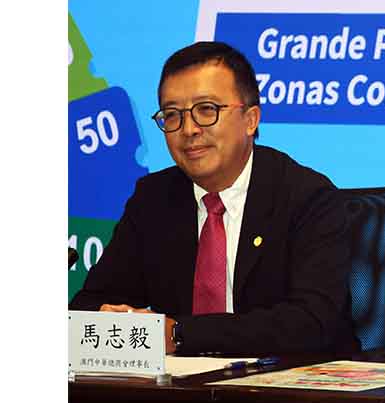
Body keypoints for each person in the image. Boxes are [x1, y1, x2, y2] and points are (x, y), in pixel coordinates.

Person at [70, 41, 359, 357]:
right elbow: (89, 304)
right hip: (182, 384)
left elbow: (311, 322)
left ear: (250, 119)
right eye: (172, 115)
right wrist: (111, 318)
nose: (189, 129)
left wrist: (179, 334)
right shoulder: (153, 199)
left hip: (289, 381)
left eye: (206, 110)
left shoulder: (306, 197)